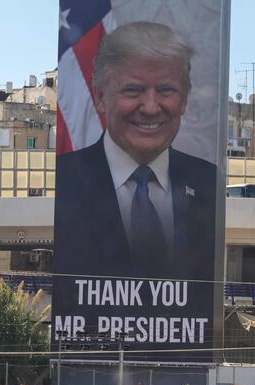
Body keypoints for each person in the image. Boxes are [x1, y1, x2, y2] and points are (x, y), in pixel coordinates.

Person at [54, 21, 217, 281]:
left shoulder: (210, 182)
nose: (151, 108)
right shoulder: (65, 180)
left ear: (184, 99)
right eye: (133, 90)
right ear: (99, 97)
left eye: (166, 90)